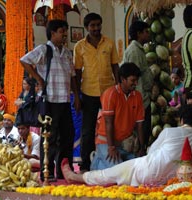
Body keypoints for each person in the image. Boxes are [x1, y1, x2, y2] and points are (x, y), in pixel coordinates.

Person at [61, 104, 192, 186]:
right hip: (177, 181)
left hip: (148, 171)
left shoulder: (171, 132)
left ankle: (75, 176)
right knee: (115, 174)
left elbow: (152, 151)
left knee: (109, 174)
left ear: (182, 120)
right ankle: (77, 177)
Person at [20, 19, 81, 181]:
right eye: (62, 31)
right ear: (52, 33)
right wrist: (39, 79)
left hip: (65, 101)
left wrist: (76, 95)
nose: (65, 35)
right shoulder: (44, 50)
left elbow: (73, 76)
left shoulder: (68, 53)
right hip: (49, 100)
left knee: (68, 135)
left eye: (65, 31)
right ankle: (47, 171)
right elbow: (24, 60)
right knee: (49, 136)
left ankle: (64, 170)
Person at [73, 12, 120, 172]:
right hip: (88, 92)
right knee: (87, 129)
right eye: (92, 25)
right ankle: (86, 164)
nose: (96, 28)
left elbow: (115, 66)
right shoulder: (79, 47)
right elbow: (77, 73)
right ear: (86, 28)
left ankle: (114, 160)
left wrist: (119, 87)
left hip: (109, 91)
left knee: (112, 125)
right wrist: (77, 96)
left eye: (98, 25)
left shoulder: (109, 43)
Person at [91, 62, 145, 170]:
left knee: (138, 168)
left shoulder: (138, 96)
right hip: (106, 142)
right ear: (123, 79)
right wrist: (111, 147)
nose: (136, 83)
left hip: (124, 145)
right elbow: (108, 122)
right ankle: (97, 162)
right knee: (119, 171)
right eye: (133, 81)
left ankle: (100, 160)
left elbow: (140, 125)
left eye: (137, 80)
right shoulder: (110, 94)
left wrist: (142, 148)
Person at [122, 21, 154, 150]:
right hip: (140, 100)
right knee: (141, 133)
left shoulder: (138, 50)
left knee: (144, 132)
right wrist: (140, 100)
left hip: (142, 98)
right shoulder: (135, 51)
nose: (148, 34)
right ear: (139, 34)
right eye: (146, 32)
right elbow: (135, 80)